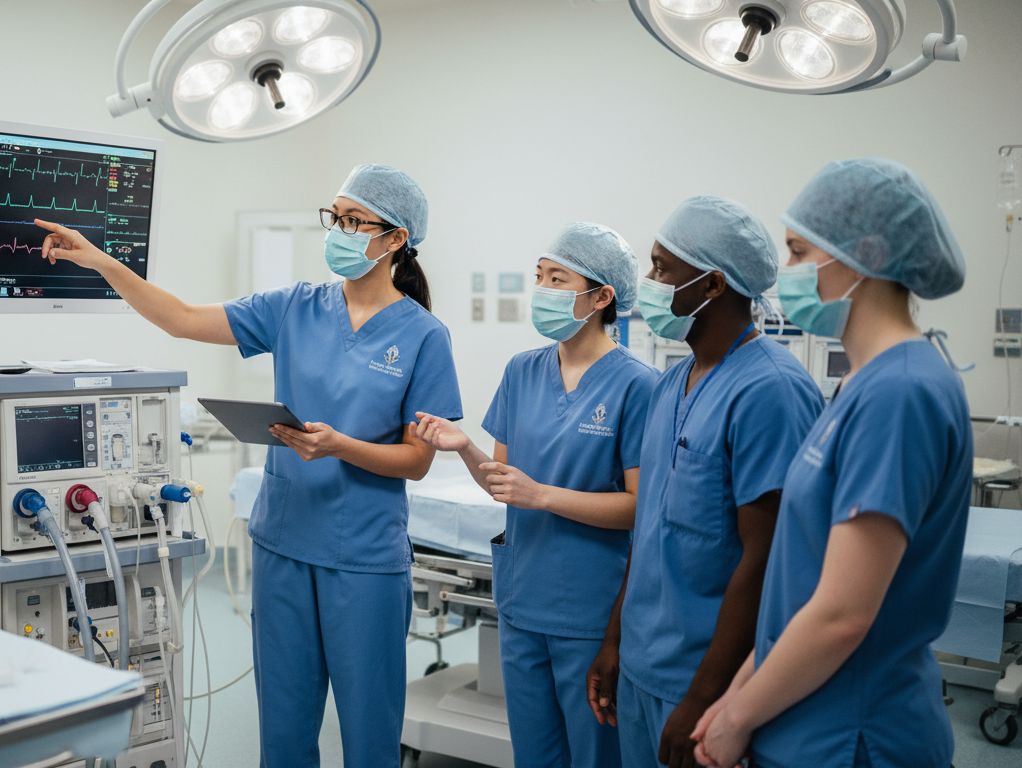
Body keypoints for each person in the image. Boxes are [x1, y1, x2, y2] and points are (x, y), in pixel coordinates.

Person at [34, 164, 463, 768]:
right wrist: (102, 261)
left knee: (370, 739)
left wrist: (340, 447)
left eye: (354, 221)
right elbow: (182, 318)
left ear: (395, 239)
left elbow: (417, 461)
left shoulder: (424, 337)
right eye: (334, 217)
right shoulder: (294, 307)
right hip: (284, 546)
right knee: (283, 735)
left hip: (364, 560)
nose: (337, 230)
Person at [691, 159, 972, 768]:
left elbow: (843, 614)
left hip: (854, 736)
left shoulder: (900, 393)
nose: (786, 270)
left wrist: (737, 719)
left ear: (864, 255)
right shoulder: (861, 385)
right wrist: (737, 694)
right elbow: (803, 584)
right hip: (803, 720)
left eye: (798, 252)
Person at [586, 197, 824, 768]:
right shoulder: (672, 384)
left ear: (713, 284)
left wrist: (703, 696)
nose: (649, 283)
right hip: (643, 664)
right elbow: (649, 531)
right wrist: (615, 640)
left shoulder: (771, 391)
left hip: (707, 681)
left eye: (662, 268)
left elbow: (766, 560)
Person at [415, 223, 658, 767]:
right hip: (523, 599)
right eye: (540, 277)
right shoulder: (522, 371)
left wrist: (544, 495)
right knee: (534, 755)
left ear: (601, 296)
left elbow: (640, 507)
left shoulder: (638, 385)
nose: (542, 289)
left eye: (557, 279)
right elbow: (504, 485)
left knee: (594, 756)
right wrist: (465, 447)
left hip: (590, 607)